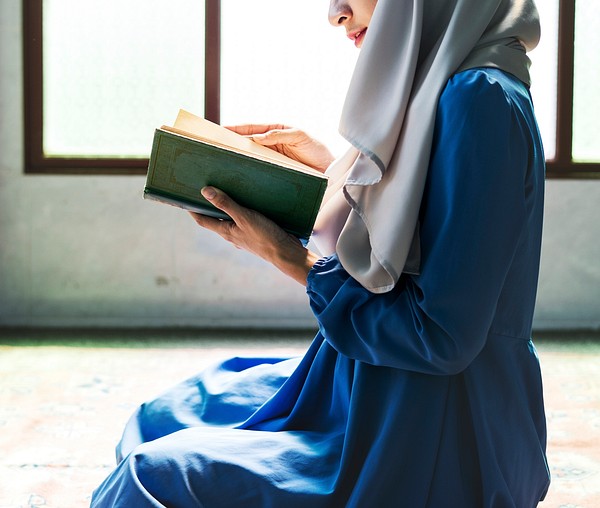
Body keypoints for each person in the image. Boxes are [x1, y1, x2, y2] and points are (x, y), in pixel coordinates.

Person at [91, 0, 551, 506]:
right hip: (361, 377)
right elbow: (417, 229)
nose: (336, 13)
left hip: (430, 426)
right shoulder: (444, 82)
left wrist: (291, 258)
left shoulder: (480, 98)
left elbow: (441, 336)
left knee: (147, 477)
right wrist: (330, 176)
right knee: (156, 417)